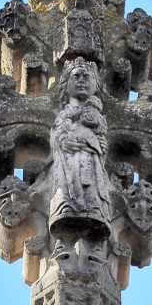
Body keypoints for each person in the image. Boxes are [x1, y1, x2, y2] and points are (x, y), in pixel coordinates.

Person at [49, 58, 111, 237]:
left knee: (93, 190)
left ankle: (94, 210)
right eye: (76, 76)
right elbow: (57, 133)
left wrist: (99, 145)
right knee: (66, 191)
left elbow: (100, 134)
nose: (81, 80)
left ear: (96, 85)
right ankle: (65, 208)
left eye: (86, 76)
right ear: (66, 84)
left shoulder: (97, 115)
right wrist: (62, 141)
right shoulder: (64, 115)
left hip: (91, 159)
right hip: (68, 160)